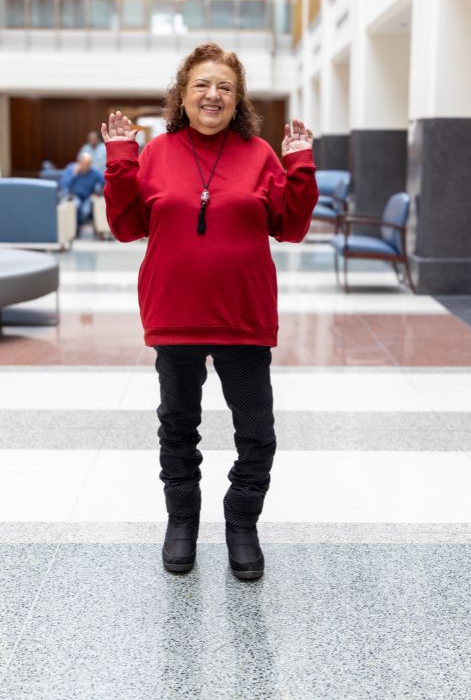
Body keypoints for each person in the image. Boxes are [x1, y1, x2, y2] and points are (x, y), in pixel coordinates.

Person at [101, 42, 317, 580]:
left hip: (243, 317)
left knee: (257, 433)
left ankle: (241, 524)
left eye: (224, 85)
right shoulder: (156, 153)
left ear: (238, 97)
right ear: (183, 94)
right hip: (174, 315)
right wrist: (121, 160)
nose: (212, 94)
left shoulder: (260, 154)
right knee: (178, 428)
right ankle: (182, 523)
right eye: (201, 84)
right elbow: (127, 226)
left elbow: (289, 227)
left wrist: (300, 167)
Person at [59, 152, 104, 230]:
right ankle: (75, 229)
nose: (88, 166)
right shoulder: (71, 168)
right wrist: (74, 175)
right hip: (73, 196)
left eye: (89, 163)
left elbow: (104, 182)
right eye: (86, 164)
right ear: (80, 162)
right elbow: (64, 185)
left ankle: (78, 227)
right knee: (77, 204)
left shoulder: (93, 172)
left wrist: (97, 193)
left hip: (87, 197)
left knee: (86, 211)